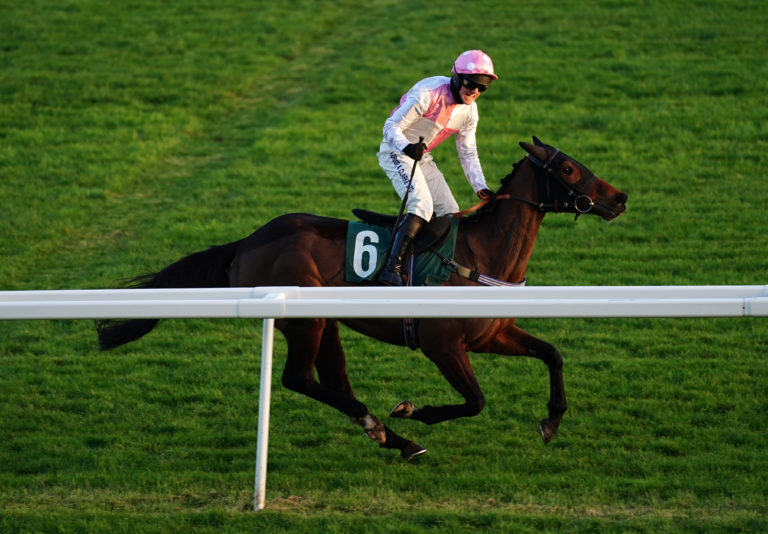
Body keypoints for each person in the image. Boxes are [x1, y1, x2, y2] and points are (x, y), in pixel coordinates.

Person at [376, 50, 498, 286]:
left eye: (482, 88)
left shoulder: (470, 111)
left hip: (422, 158)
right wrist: (406, 147)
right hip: (395, 152)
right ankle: (392, 267)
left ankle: (426, 265)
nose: (475, 92)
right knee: (422, 204)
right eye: (471, 84)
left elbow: (468, 150)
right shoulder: (427, 93)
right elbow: (390, 127)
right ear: (455, 77)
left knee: (449, 212)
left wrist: (480, 186)